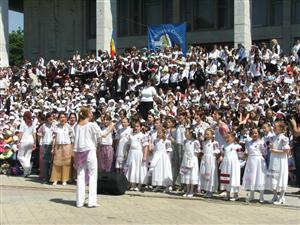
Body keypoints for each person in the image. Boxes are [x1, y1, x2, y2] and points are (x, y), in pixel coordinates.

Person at [74, 107, 101, 208]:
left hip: (79, 152)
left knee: (80, 176)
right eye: (90, 113)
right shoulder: (91, 125)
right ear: (87, 114)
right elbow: (101, 135)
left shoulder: (76, 126)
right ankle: (91, 201)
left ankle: (79, 202)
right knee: (93, 175)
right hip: (89, 150)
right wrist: (110, 128)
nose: (92, 114)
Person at [266, 121, 290, 205]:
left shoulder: (284, 138)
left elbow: (286, 151)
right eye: (274, 126)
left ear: (281, 128)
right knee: (273, 177)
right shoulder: (272, 137)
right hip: (273, 159)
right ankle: (275, 196)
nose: (274, 128)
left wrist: (274, 150)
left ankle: (282, 197)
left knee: (281, 177)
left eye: (276, 126)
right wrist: (271, 147)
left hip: (280, 160)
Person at [242, 128, 267, 203]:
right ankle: (252, 195)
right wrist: (245, 155)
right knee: (252, 177)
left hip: (259, 161)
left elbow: (265, 152)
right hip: (250, 161)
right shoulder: (248, 142)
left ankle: (261, 195)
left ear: (258, 134)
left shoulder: (262, 142)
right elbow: (246, 151)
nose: (254, 134)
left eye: (256, 133)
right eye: (253, 133)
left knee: (260, 177)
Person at [50, 112, 74, 185]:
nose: (62, 119)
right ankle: (56, 179)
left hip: (67, 146)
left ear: (66, 118)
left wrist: (72, 148)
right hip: (58, 146)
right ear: (59, 118)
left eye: (64, 117)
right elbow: (54, 138)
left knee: (66, 163)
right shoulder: (56, 126)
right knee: (57, 162)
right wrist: (53, 148)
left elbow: (72, 137)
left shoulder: (68, 127)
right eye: (61, 117)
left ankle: (65, 179)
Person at [124, 121, 149, 191]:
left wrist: (144, 156)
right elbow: (128, 145)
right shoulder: (131, 135)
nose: (136, 128)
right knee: (132, 168)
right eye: (135, 126)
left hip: (139, 154)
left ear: (141, 128)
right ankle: (132, 184)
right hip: (131, 153)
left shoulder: (143, 136)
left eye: (138, 126)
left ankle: (139, 185)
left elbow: (146, 146)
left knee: (139, 168)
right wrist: (126, 153)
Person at [219, 132, 241, 201]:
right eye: (226, 137)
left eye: (229, 137)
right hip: (226, 164)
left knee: (234, 178)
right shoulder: (224, 146)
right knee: (226, 178)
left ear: (233, 138)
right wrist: (221, 158)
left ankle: (235, 194)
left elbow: (241, 155)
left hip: (234, 165)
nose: (227, 139)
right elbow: (222, 154)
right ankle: (227, 193)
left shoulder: (237, 146)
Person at [149, 128, 173, 192]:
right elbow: (154, 149)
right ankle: (158, 185)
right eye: (158, 133)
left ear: (163, 134)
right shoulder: (155, 140)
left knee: (165, 171)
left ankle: (167, 186)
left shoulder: (167, 141)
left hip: (164, 157)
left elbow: (168, 151)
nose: (159, 134)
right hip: (157, 156)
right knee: (157, 171)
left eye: (160, 133)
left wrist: (167, 159)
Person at [199, 128, 220, 198]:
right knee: (204, 174)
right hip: (205, 159)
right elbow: (202, 151)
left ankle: (210, 190)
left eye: (208, 134)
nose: (206, 135)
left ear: (212, 135)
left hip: (211, 160)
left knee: (211, 175)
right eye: (205, 134)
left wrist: (215, 159)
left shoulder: (215, 143)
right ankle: (206, 189)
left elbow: (217, 152)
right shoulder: (204, 143)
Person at [180, 128, 200, 197]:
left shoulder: (195, 142)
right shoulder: (185, 141)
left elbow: (197, 152)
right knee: (187, 175)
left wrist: (192, 159)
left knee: (192, 175)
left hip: (193, 159)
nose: (185, 133)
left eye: (187, 132)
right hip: (186, 159)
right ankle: (187, 190)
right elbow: (184, 150)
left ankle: (192, 190)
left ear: (191, 134)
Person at [17, 111, 36, 177]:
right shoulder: (33, 123)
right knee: (27, 157)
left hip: (24, 141)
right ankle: (26, 172)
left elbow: (21, 133)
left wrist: (18, 141)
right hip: (31, 141)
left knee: (20, 156)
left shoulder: (23, 123)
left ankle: (27, 167)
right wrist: (35, 142)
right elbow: (34, 134)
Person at [37, 113, 54, 183]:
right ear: (47, 118)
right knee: (46, 162)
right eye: (50, 117)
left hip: (52, 145)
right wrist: (39, 142)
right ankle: (46, 178)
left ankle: (51, 177)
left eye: (52, 117)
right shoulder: (43, 126)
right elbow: (38, 134)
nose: (51, 119)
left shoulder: (54, 126)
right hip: (45, 144)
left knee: (52, 162)